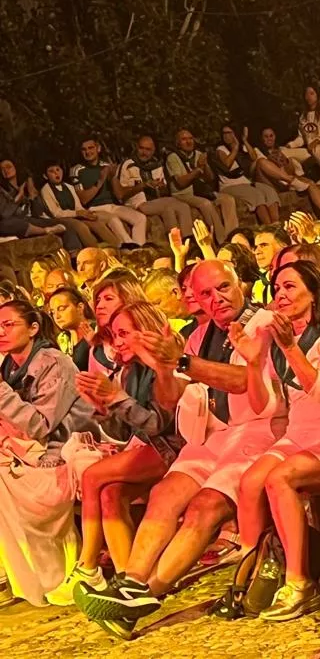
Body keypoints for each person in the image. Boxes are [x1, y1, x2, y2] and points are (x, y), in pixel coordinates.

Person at [73, 260, 282, 639]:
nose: (217, 299)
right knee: (165, 494)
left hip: (260, 430)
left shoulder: (264, 324)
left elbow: (244, 380)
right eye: (206, 294)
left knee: (204, 506)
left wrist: (181, 362)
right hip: (213, 432)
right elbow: (171, 400)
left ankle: (145, 595)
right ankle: (132, 582)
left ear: (241, 284)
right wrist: (164, 369)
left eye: (223, 287)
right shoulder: (199, 335)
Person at [212, 259, 320, 620]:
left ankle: (298, 582)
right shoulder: (277, 337)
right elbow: (264, 405)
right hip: (299, 432)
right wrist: (254, 362)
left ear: (313, 293)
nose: (280, 295)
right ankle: (250, 578)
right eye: (277, 288)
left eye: (290, 287)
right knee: (250, 481)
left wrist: (289, 348)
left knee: (277, 479)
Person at [46, 301, 189, 605]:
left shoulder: (165, 366)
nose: (117, 342)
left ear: (146, 331)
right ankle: (128, 583)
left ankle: (88, 566)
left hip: (175, 447)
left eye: (124, 334)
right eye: (114, 335)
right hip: (146, 446)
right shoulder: (127, 372)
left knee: (93, 476)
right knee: (110, 493)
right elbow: (125, 430)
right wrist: (102, 406)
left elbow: (158, 425)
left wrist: (116, 399)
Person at [0, 300, 94, 606]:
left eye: (8, 325)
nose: (0, 332)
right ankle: (23, 574)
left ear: (33, 328)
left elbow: (41, 424)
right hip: (26, 450)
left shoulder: (53, 363)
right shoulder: (9, 366)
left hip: (61, 448)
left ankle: (53, 574)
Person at [71, 139, 150, 246]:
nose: (88, 152)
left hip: (112, 205)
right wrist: (101, 180)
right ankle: (130, 248)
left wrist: (113, 177)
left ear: (98, 149)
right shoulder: (76, 170)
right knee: (114, 220)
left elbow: (119, 195)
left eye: (91, 148)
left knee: (140, 218)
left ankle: (140, 249)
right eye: (84, 149)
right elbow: (84, 199)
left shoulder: (106, 166)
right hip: (93, 208)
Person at [281, 86, 320, 182]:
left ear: (317, 95)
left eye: (312, 93)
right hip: (310, 150)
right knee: (284, 152)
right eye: (306, 94)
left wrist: (317, 141)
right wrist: (291, 145)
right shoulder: (303, 116)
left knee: (316, 149)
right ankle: (302, 177)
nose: (309, 96)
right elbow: (302, 138)